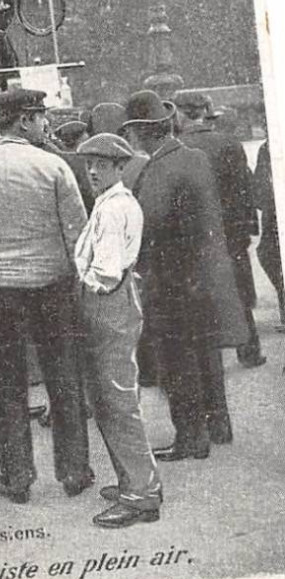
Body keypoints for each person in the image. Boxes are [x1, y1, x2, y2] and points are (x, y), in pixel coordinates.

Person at [0, 87, 91, 504]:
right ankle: (74, 471)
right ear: (25, 120)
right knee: (63, 382)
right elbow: (76, 235)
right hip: (52, 289)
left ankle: (17, 478)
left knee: (7, 390)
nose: (46, 124)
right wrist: (71, 279)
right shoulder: (53, 167)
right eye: (41, 116)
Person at [121, 90, 247, 461]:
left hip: (171, 281)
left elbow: (154, 222)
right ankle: (219, 424)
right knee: (206, 354)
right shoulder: (192, 157)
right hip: (203, 275)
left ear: (142, 132)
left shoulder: (160, 167)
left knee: (177, 361)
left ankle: (191, 436)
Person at [74, 133, 162, 529]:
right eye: (89, 163)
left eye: (102, 165)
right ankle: (133, 482)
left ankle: (141, 496)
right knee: (111, 401)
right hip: (115, 301)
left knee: (117, 403)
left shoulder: (113, 208)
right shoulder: (110, 203)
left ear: (120, 167)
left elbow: (105, 272)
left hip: (108, 303)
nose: (93, 170)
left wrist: (79, 288)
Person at [173, 89, 265, 369]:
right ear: (204, 112)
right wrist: (246, 229)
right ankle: (249, 350)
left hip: (198, 234)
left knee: (202, 293)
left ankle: (210, 356)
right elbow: (244, 190)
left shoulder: (178, 148)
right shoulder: (229, 143)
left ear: (181, 114)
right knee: (238, 290)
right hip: (231, 231)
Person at [254, 140, 285, 330]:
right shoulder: (266, 148)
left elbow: (260, 193)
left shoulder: (267, 148)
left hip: (273, 213)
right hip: (273, 213)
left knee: (269, 254)